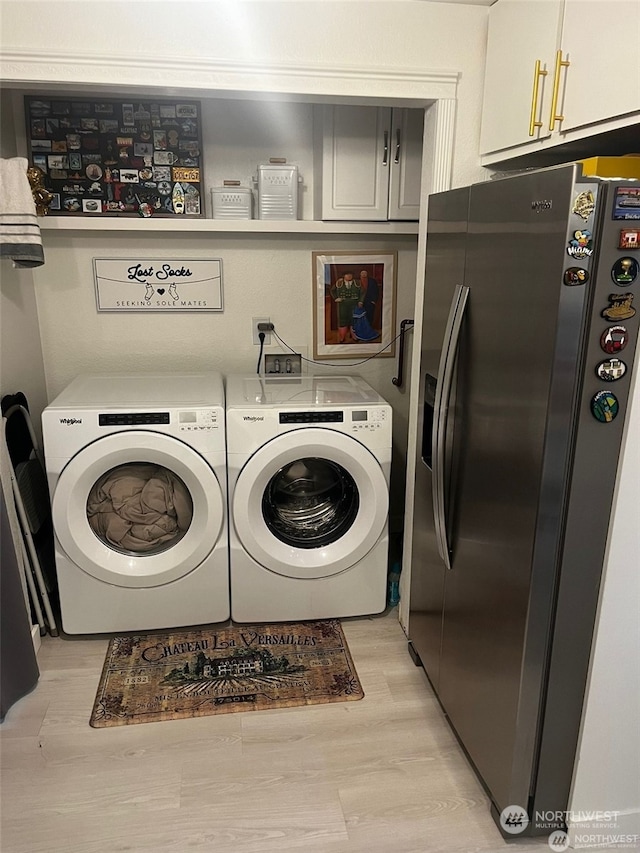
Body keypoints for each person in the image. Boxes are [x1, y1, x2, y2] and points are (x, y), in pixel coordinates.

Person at [330, 271, 363, 343]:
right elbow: (332, 291)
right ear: (344, 276)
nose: (349, 276)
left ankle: (354, 335)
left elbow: (362, 292)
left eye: (350, 274)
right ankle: (342, 337)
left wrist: (361, 301)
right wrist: (336, 298)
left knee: (353, 319)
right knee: (342, 320)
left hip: (354, 303)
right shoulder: (339, 282)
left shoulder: (357, 282)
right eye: (347, 275)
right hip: (342, 304)